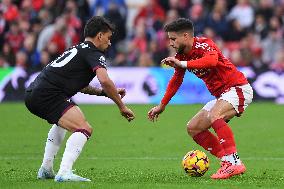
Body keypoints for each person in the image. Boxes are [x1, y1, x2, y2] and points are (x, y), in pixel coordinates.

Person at [24, 16, 135, 182]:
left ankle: (46, 169)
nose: (109, 42)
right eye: (108, 37)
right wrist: (121, 106)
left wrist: (104, 93)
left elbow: (80, 85)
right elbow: (104, 80)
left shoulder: (77, 49)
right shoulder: (94, 52)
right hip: (48, 95)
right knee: (84, 128)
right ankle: (64, 173)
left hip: (34, 93)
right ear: (99, 36)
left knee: (61, 124)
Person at [147, 18, 253, 179]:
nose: (170, 43)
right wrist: (162, 105)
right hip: (223, 95)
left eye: (173, 39)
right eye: (169, 39)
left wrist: (182, 64)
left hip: (237, 88)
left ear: (185, 36)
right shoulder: (181, 55)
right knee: (193, 127)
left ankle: (234, 163)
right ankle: (226, 161)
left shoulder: (204, 44)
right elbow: (176, 80)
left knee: (214, 115)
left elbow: (211, 61)